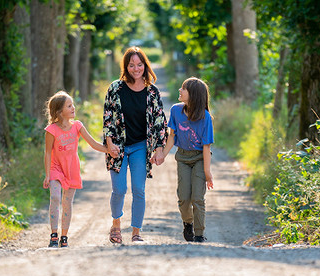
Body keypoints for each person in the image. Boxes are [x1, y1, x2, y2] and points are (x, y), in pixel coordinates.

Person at [103, 46, 168, 244]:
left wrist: (159, 149)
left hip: (141, 146)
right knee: (119, 189)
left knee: (139, 189)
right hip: (118, 146)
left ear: (145, 66)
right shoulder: (115, 88)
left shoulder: (152, 91)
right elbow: (107, 117)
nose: (136, 69)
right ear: (126, 66)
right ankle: (116, 225)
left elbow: (159, 121)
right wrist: (109, 143)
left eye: (139, 65)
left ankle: (136, 232)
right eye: (131, 65)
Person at [43, 91, 109, 248]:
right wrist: (47, 175)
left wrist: (109, 150)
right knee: (55, 198)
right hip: (55, 169)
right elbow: (47, 152)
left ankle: (64, 236)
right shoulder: (51, 130)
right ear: (59, 111)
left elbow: (93, 144)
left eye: (72, 105)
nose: (73, 108)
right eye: (69, 105)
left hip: (71, 169)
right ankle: (54, 234)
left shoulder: (77, 126)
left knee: (67, 202)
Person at [161, 77, 214, 242]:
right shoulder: (176, 110)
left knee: (197, 198)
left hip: (199, 158)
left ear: (194, 95)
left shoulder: (205, 118)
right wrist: (162, 154)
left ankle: (199, 234)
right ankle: (187, 223)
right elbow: (172, 136)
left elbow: (206, 147)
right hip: (183, 158)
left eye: (183, 88)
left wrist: (207, 173)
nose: (180, 90)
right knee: (184, 198)